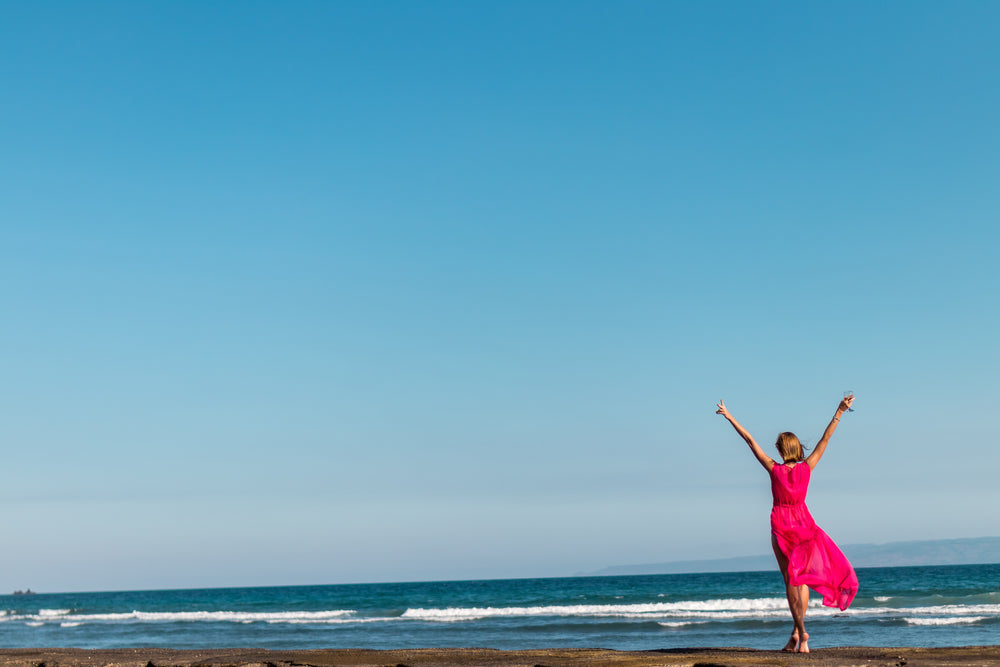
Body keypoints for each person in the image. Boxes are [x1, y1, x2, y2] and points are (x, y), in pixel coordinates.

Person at [715, 395, 859, 653]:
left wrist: (729, 417)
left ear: (782, 450)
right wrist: (839, 410)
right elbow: (825, 439)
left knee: (790, 581)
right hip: (804, 527)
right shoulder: (807, 467)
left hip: (781, 527)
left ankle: (803, 633)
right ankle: (796, 633)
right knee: (801, 581)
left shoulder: (773, 468)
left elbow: (749, 440)